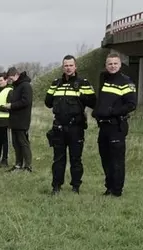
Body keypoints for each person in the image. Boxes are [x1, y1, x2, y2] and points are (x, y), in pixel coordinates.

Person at [44, 55, 97, 195]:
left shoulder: (83, 83)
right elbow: (48, 102)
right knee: (58, 159)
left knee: (76, 159)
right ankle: (56, 186)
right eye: (66, 65)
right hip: (59, 127)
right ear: (63, 67)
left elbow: (93, 102)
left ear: (75, 67)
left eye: (71, 65)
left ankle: (75, 187)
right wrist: (52, 91)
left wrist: (81, 96)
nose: (68, 68)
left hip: (76, 127)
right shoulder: (56, 83)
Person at [91, 51, 137, 197]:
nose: (112, 66)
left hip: (116, 126)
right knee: (105, 158)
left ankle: (117, 191)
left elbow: (131, 104)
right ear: (106, 65)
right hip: (103, 126)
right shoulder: (104, 79)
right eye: (110, 64)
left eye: (115, 63)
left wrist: (113, 111)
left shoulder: (126, 81)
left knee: (117, 160)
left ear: (120, 65)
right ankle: (109, 187)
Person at [0, 66, 33, 172]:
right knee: (15, 143)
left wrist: (11, 106)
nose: (10, 81)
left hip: (22, 119)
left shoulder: (26, 86)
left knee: (23, 142)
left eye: (11, 78)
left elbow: (26, 101)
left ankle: (28, 166)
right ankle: (18, 165)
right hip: (13, 120)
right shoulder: (16, 86)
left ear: (17, 75)